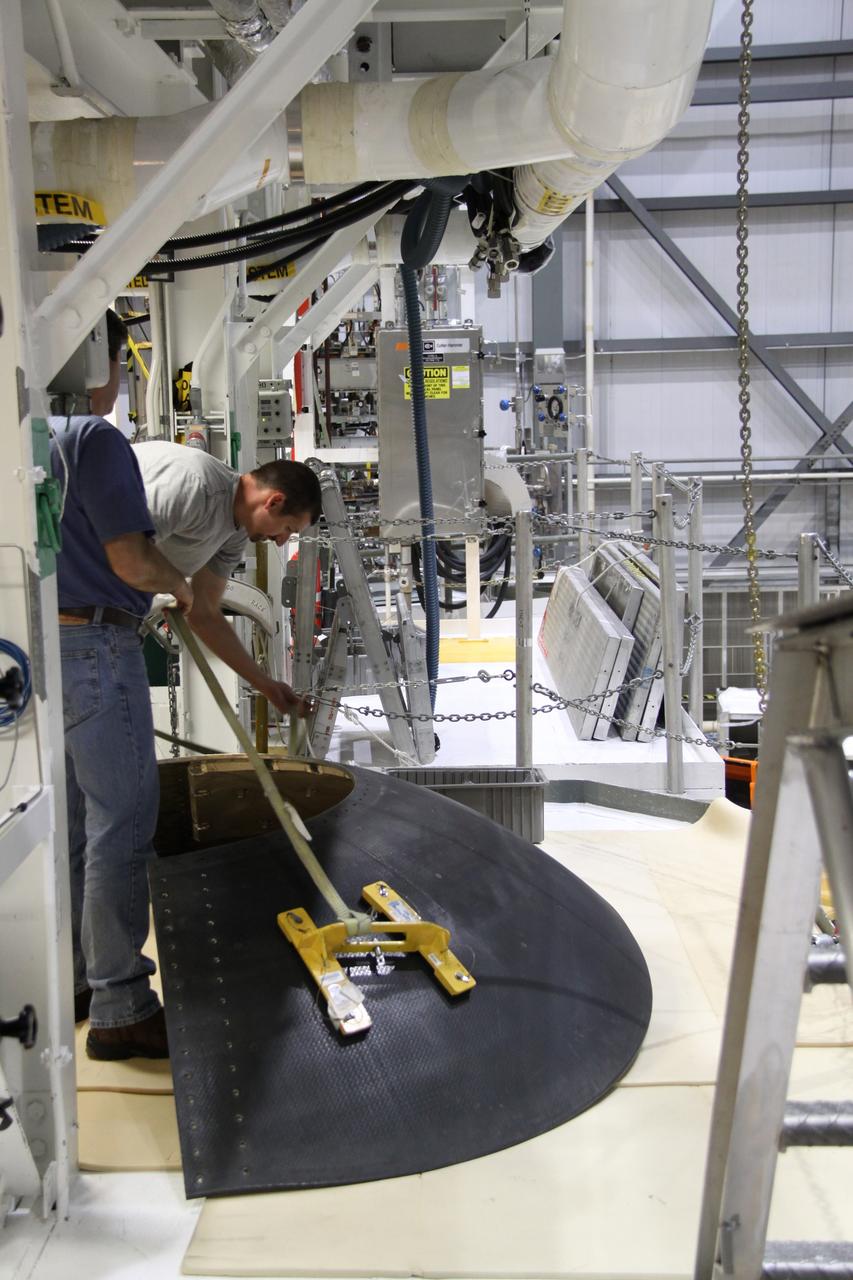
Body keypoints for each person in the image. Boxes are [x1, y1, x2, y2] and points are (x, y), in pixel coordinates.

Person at [51, 310, 193, 1060]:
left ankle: (80, 980)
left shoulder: (24, 436)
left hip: (35, 651)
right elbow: (133, 561)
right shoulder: (92, 439)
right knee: (122, 822)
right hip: (97, 648)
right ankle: (121, 1005)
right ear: (97, 360)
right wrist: (180, 583)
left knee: (75, 824)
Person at [131, 443, 321, 716]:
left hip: (117, 621)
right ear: (274, 501)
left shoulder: (234, 533)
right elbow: (122, 549)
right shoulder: (196, 486)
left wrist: (266, 685)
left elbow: (204, 614)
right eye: (287, 529)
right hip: (78, 610)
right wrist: (176, 584)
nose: (281, 542)